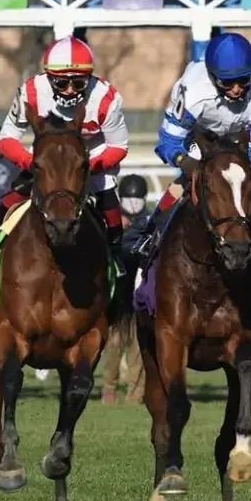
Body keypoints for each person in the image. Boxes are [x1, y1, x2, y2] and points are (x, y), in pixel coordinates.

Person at [131, 32, 251, 277]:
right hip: (200, 139)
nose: (236, 89)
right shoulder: (191, 91)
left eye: (243, 81)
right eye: (227, 83)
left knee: (249, 196)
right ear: (213, 77)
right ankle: (148, 243)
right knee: (179, 188)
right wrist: (186, 163)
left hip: (240, 144)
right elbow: (169, 141)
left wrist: (238, 168)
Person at [0, 37, 130, 260]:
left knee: (107, 197)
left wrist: (84, 167)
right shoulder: (31, 92)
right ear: (49, 78)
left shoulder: (106, 99)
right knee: (17, 191)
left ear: (89, 79)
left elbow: (118, 146)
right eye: (62, 83)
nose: (70, 90)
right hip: (48, 157)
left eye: (79, 83)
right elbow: (6, 139)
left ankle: (115, 252)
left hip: (89, 156)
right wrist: (29, 162)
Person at [101, 172, 152, 406]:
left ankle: (135, 394)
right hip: (117, 297)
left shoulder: (150, 223)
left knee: (138, 348)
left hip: (139, 297)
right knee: (113, 346)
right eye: (128, 198)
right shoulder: (110, 224)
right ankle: (108, 389)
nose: (133, 203)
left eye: (137, 198)